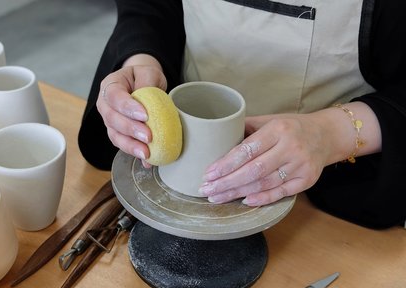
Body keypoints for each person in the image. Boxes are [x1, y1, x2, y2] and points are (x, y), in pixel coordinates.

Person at [78, 0, 406, 229]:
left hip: (331, 198)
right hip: (180, 183)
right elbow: (150, 9)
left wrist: (328, 135)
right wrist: (141, 62)